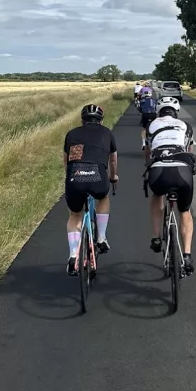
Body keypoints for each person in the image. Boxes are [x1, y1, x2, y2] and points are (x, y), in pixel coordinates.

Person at [144, 96, 196, 274]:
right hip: (182, 172)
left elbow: (148, 153)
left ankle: (156, 237)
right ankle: (187, 255)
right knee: (185, 212)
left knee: (157, 195)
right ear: (176, 112)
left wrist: (148, 167)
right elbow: (190, 153)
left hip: (159, 172)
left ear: (159, 111)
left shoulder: (150, 127)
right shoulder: (186, 126)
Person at [63, 104, 118, 276]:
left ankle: (73, 254)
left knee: (75, 215)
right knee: (103, 197)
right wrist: (113, 177)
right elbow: (113, 161)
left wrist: (71, 178)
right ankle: (101, 237)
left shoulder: (71, 134)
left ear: (82, 120)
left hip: (75, 176)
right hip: (97, 176)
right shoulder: (107, 133)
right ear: (101, 120)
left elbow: (67, 162)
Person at [138, 82, 157, 147]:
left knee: (144, 129)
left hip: (145, 115)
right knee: (154, 129)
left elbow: (140, 109)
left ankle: (143, 143)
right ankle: (154, 142)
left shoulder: (142, 101)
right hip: (153, 114)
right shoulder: (154, 100)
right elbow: (156, 107)